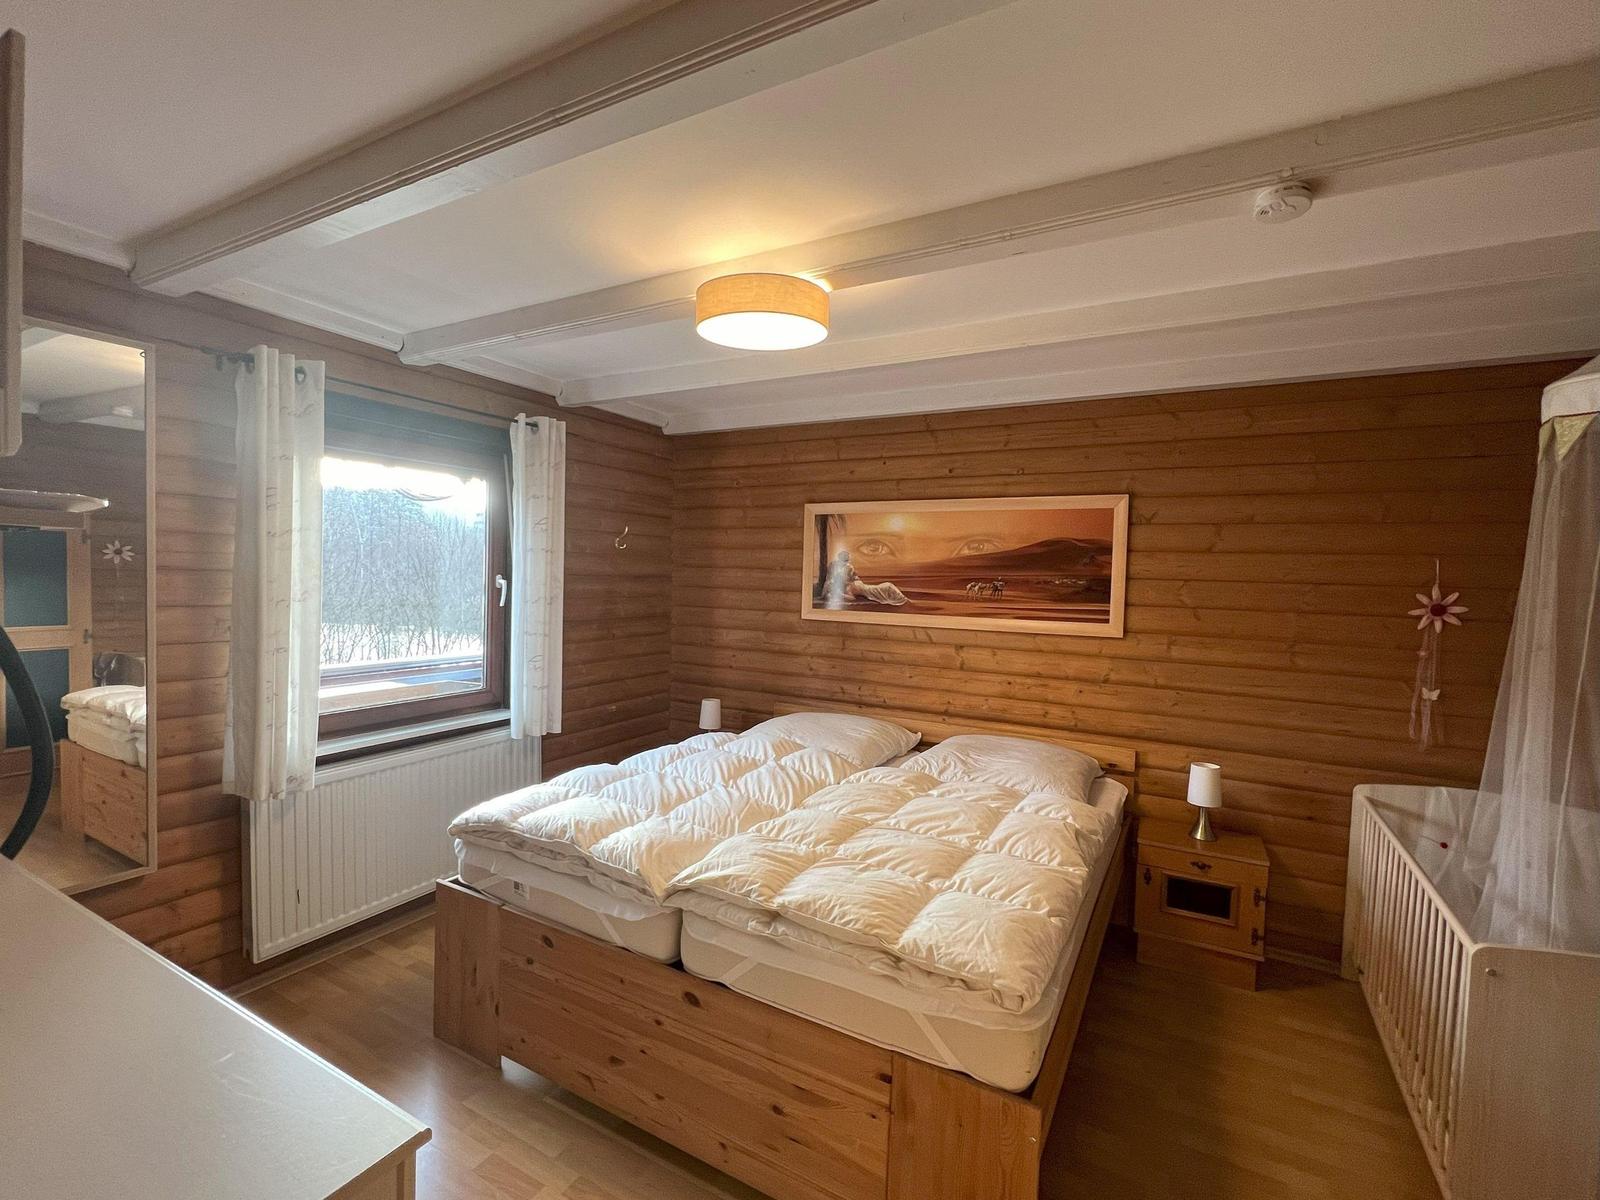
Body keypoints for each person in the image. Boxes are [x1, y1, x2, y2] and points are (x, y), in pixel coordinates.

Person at [823, 549, 908, 608]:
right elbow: (851, 597)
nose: (847, 562)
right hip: (866, 589)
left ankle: (896, 595)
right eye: (845, 560)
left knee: (884, 587)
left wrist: (856, 581)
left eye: (847, 560)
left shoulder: (849, 570)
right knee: (883, 588)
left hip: (862, 585)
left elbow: (854, 577)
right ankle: (896, 595)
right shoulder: (845, 585)